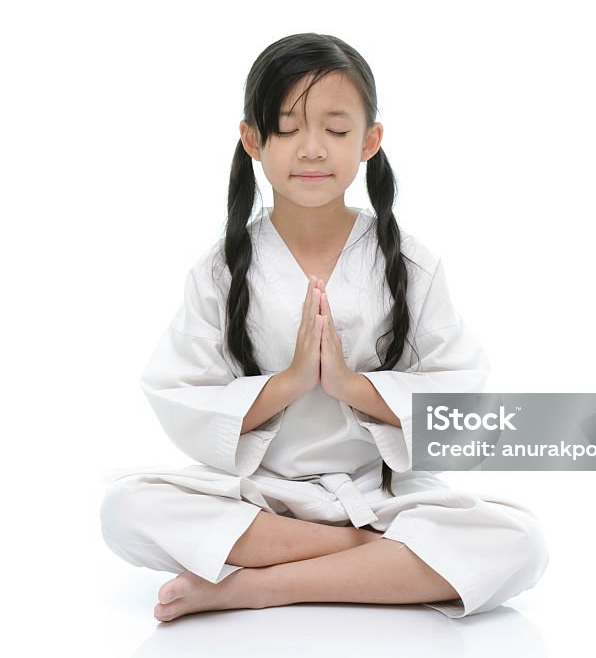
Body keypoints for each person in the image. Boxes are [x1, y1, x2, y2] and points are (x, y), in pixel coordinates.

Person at [100, 33, 549, 623]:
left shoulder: (408, 263)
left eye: (336, 131)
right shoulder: (220, 268)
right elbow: (182, 392)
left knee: (519, 542)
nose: (312, 150)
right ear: (252, 140)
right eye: (287, 128)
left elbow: (460, 397)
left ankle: (254, 587)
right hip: (264, 499)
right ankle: (376, 563)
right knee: (126, 507)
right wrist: (287, 382)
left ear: (370, 141)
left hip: (380, 494)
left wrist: (348, 384)